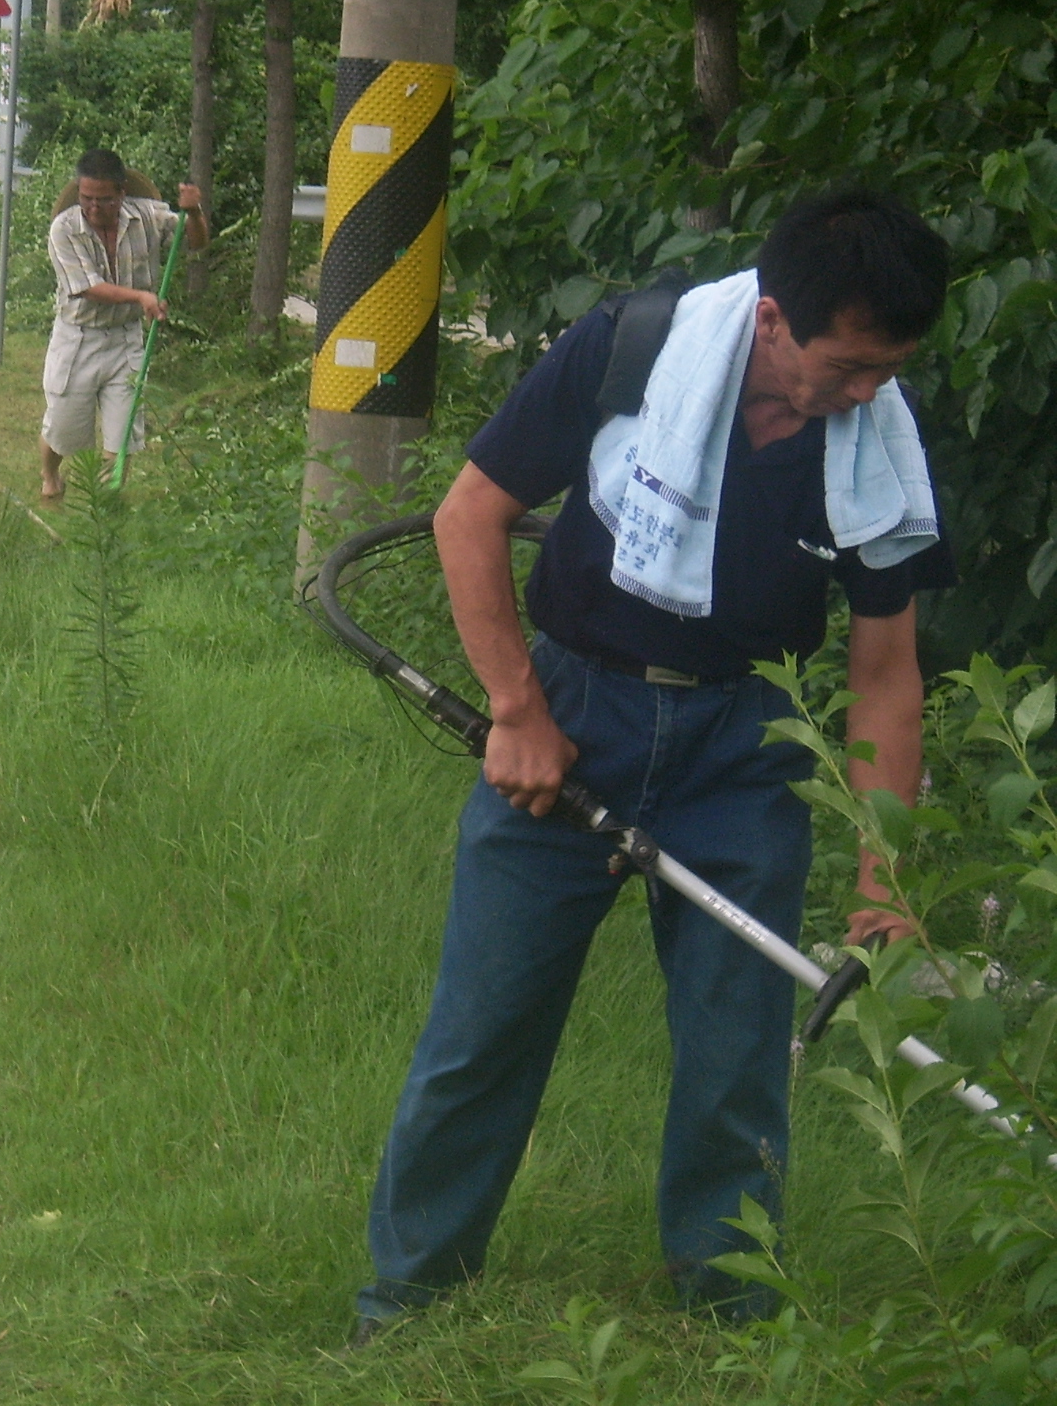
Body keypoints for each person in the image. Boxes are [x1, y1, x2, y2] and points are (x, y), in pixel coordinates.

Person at [354, 188, 955, 1340]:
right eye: (848, 366)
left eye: (888, 369)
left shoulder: (872, 442)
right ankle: (405, 1305)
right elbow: (466, 517)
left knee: (736, 1059)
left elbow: (884, 675)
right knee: (482, 1033)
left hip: (745, 752)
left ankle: (732, 1320)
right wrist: (515, 711)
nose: (866, 393)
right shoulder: (628, 351)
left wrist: (883, 879)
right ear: (772, 320)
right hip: (574, 714)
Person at [39, 148, 208, 500]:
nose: (94, 207)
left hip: (126, 339)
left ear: (122, 193)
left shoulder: (148, 216)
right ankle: (50, 475)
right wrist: (141, 297)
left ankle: (105, 501)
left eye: (104, 200)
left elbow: (196, 242)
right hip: (78, 339)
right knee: (63, 429)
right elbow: (87, 287)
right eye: (86, 198)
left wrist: (193, 212)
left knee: (122, 435)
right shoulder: (64, 228)